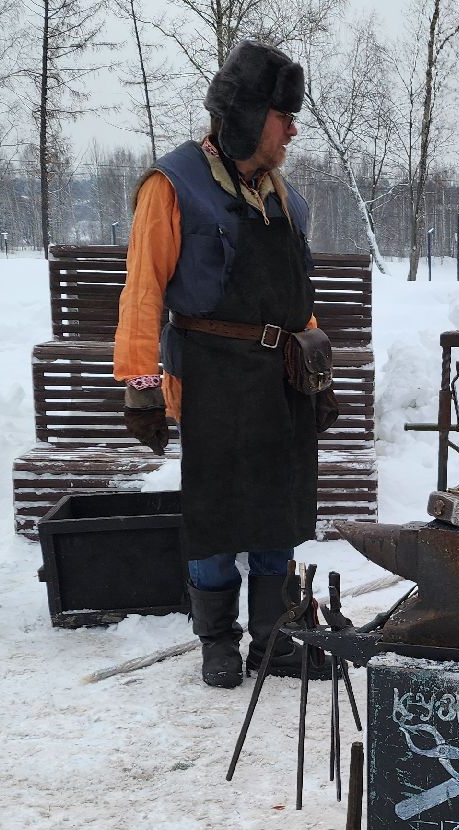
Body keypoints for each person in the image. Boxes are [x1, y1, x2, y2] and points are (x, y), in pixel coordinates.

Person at [113, 40, 331, 689]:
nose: (292, 128)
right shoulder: (172, 185)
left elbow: (298, 299)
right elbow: (143, 290)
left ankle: (272, 639)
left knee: (278, 512)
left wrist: (319, 376)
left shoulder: (285, 197)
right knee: (214, 519)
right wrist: (140, 388)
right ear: (245, 116)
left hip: (282, 379)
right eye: (281, 115)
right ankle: (217, 641)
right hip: (209, 376)